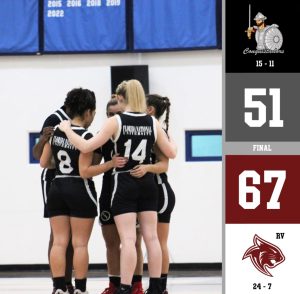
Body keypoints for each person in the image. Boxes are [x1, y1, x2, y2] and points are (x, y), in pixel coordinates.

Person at [58, 80, 177, 294]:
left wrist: (67, 130)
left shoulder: (116, 122)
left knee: (128, 240)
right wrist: (172, 140)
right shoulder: (152, 122)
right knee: (152, 238)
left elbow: (86, 146)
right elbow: (171, 153)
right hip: (147, 183)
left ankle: (124, 287)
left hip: (124, 181)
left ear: (121, 98)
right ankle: (157, 287)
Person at [40, 88, 126, 294]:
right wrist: (110, 164)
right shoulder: (87, 136)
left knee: (59, 242)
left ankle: (59, 288)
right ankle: (80, 289)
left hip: (57, 187)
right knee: (79, 244)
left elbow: (44, 162)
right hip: (79, 188)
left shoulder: (57, 131)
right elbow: (86, 171)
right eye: (94, 113)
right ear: (88, 112)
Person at [99, 97, 144, 294]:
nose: (114, 118)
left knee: (135, 241)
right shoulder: (102, 137)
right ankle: (114, 285)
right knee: (111, 242)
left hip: (132, 191)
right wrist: (109, 164)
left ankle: (137, 285)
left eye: (118, 114)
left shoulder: (136, 134)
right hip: (108, 192)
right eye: (110, 114)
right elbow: (89, 167)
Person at [131, 94, 175, 294]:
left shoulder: (158, 130)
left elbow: (165, 164)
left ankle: (160, 287)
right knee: (141, 239)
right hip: (144, 191)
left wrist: (147, 168)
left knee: (158, 241)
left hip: (160, 189)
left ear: (150, 110)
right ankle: (139, 284)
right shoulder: (141, 128)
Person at [32, 104, 74, 294]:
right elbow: (37, 154)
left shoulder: (78, 120)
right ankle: (58, 283)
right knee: (57, 234)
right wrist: (42, 139)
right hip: (53, 179)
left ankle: (68, 282)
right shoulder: (54, 119)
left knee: (73, 236)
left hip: (74, 180)